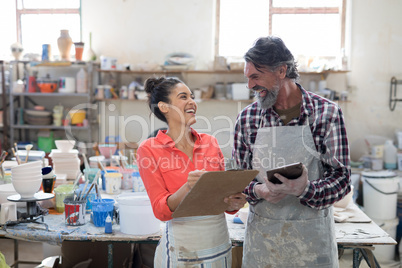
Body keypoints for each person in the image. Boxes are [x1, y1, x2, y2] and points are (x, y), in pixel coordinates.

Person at [233, 36, 351, 267]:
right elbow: (237, 177)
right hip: (264, 240)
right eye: (247, 78)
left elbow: (342, 179)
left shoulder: (326, 114)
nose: (250, 86)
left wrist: (307, 189)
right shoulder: (248, 118)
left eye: (256, 77)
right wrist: (258, 190)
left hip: (312, 238)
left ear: (281, 71)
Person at [136, 77, 246, 267]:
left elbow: (225, 201)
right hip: (182, 247)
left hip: (218, 241)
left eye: (192, 96)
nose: (192, 102)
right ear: (164, 107)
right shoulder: (149, 149)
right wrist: (188, 187)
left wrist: (235, 202)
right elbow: (161, 210)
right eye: (183, 96)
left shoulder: (210, 142)